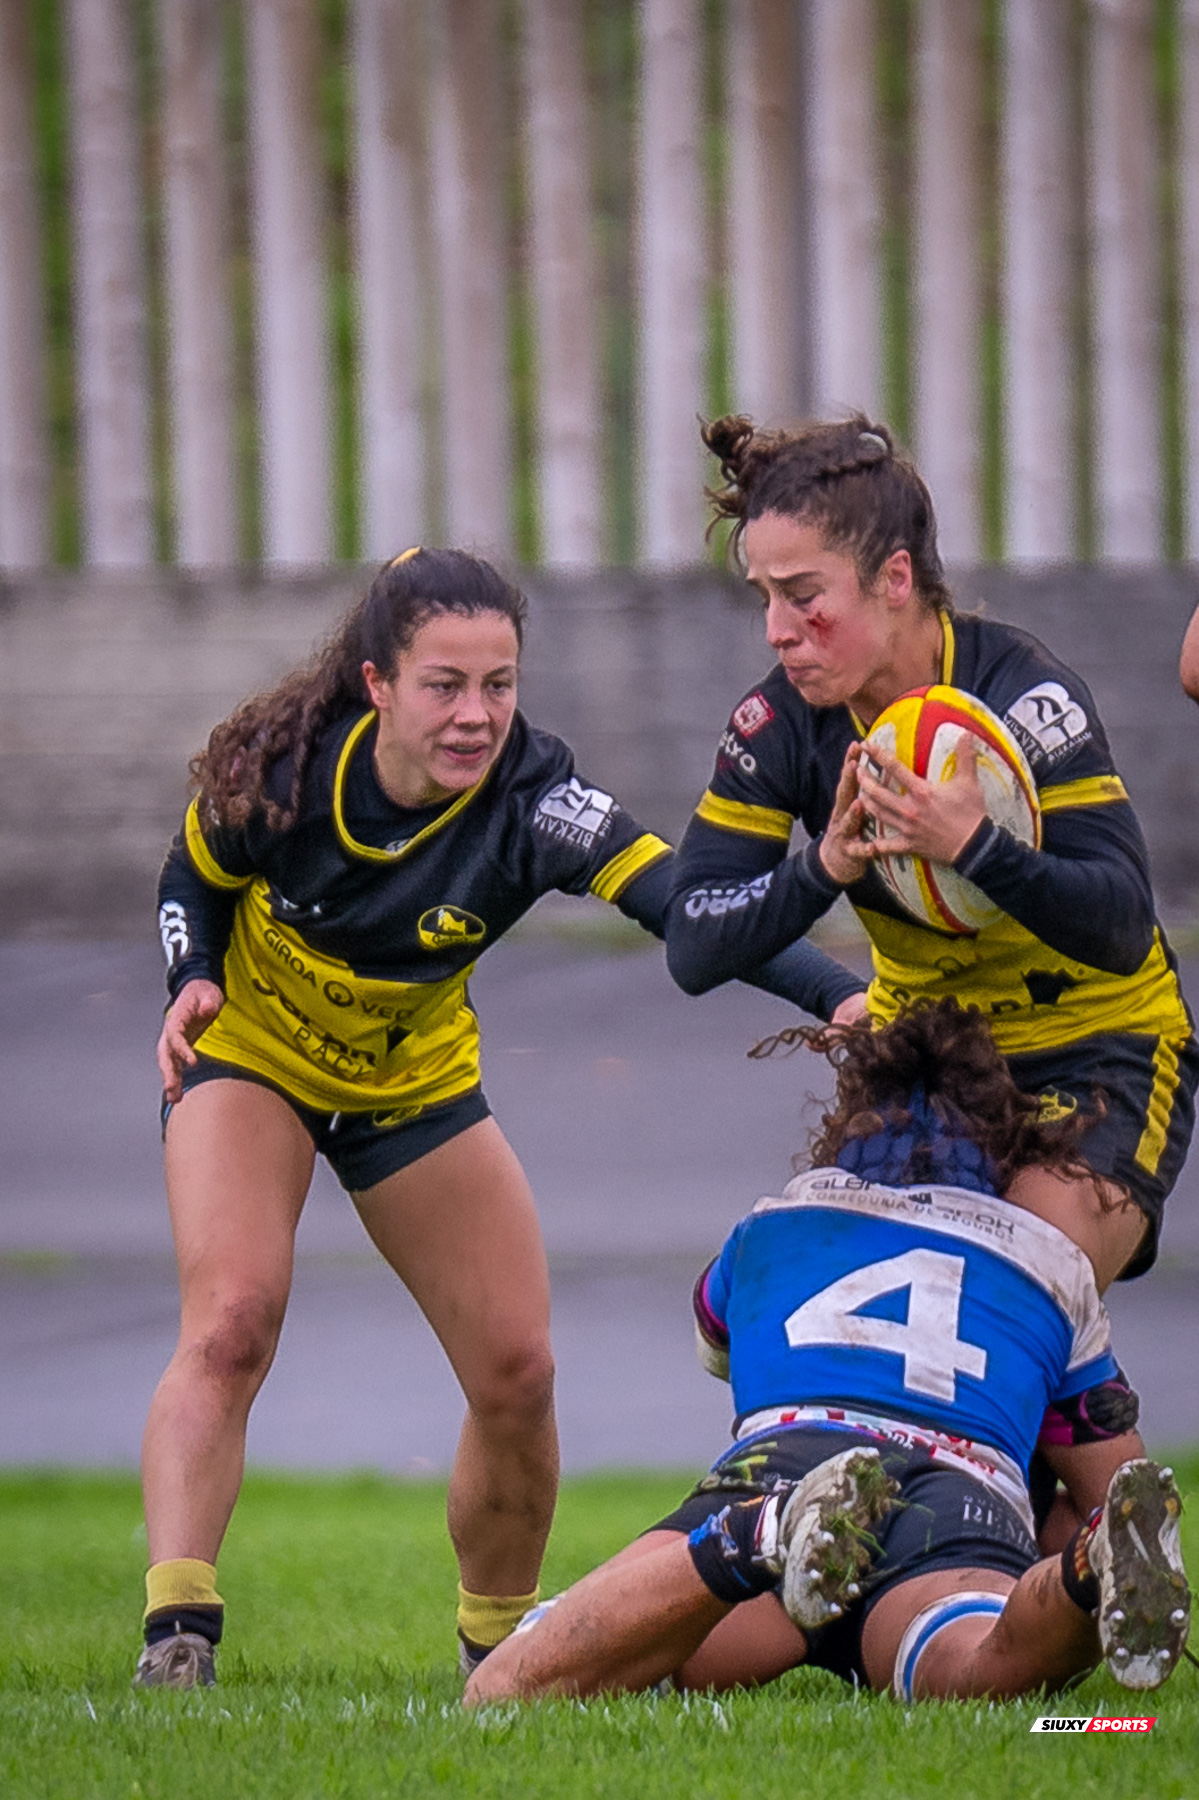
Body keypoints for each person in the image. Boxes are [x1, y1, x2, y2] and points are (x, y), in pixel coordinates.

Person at [135, 547, 864, 1690]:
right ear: (377, 684)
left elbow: (684, 908)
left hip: (409, 1083)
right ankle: (177, 1634)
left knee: (517, 1373)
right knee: (231, 1321)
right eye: (443, 685)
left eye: (498, 684)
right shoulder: (285, 772)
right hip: (252, 1055)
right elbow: (192, 877)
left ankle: (502, 1654)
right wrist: (190, 978)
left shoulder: (537, 800)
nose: (475, 715)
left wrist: (841, 997)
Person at [465, 1002, 1191, 1706]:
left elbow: (718, 1343)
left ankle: (759, 1535)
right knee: (972, 1664)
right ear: (1005, 1144)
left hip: (785, 1463)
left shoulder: (769, 1226)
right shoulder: (1050, 1264)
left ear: (850, 1120)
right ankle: (1086, 1572)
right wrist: (1058, 1517)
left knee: (516, 1678)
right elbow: (1111, 1476)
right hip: (958, 1491)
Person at [665, 414, 1197, 1299]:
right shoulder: (781, 723)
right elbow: (694, 940)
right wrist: (823, 866)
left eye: (803, 596)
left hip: (1100, 1051)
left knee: (999, 1295)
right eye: (763, 598)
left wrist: (975, 846)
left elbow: (1116, 921)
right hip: (928, 1057)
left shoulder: (1020, 693)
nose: (777, 631)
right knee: (809, 1308)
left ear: (894, 579)